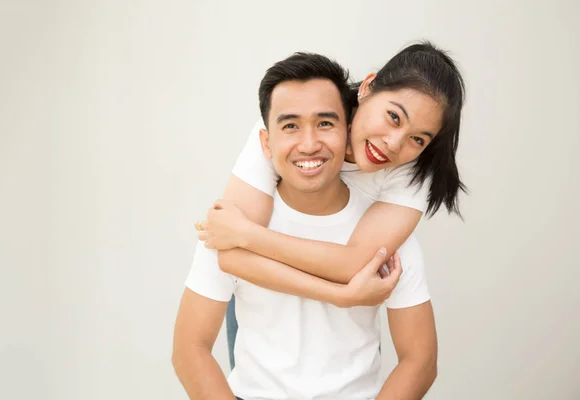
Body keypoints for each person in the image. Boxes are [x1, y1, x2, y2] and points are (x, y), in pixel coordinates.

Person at [173, 52, 437, 400]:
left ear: (345, 129)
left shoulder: (390, 232)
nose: (309, 142)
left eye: (325, 124)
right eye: (291, 126)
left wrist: (249, 237)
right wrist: (342, 295)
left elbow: (420, 361)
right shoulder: (234, 224)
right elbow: (189, 350)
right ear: (266, 141)